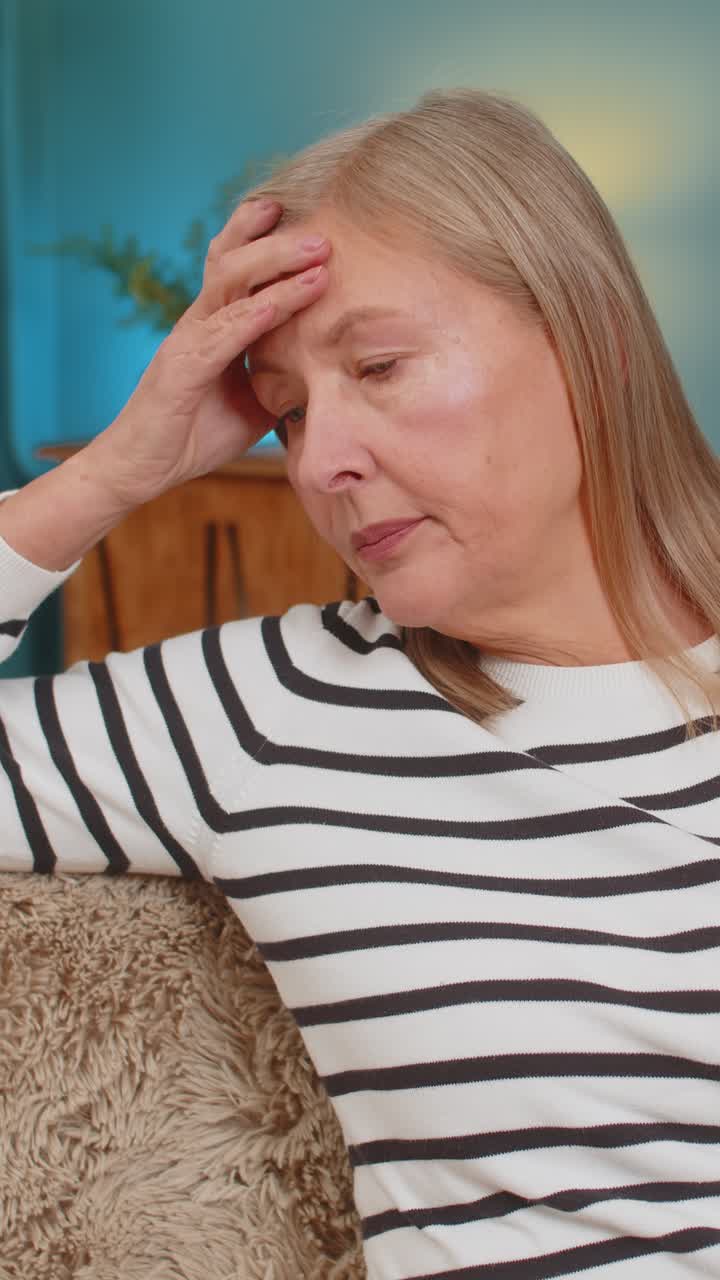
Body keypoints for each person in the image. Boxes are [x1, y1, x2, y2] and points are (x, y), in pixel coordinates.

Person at [1, 86, 719, 1279]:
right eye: (285, 417)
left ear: (584, 331)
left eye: (377, 364)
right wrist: (111, 474)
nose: (324, 462)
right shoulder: (275, 709)